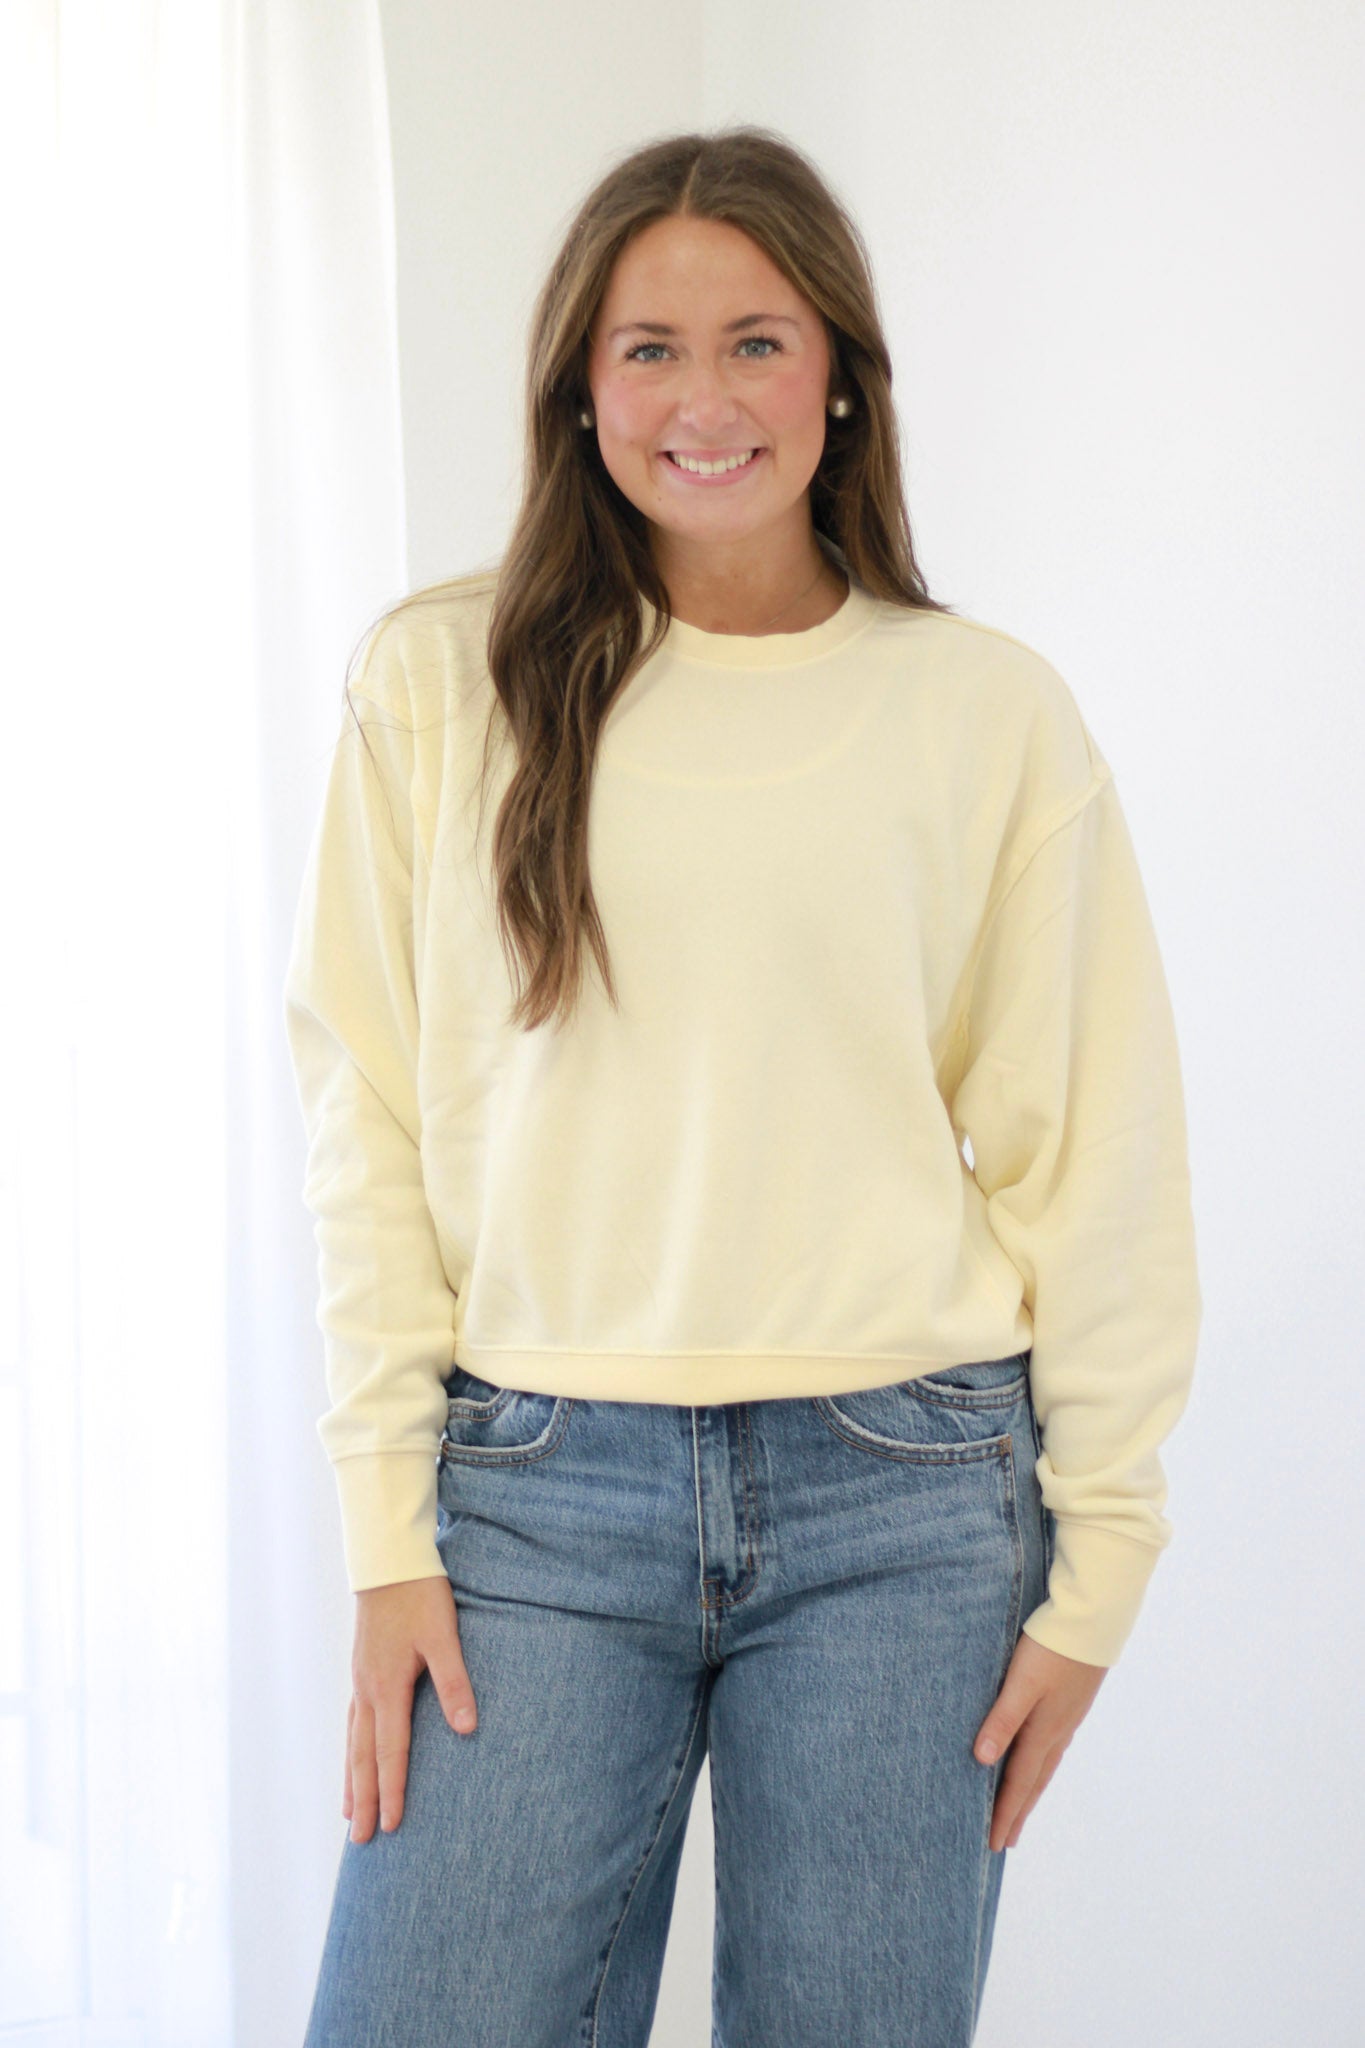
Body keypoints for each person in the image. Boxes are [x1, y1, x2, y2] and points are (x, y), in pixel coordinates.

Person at [283, 124, 1201, 2048]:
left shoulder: (982, 711)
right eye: (649, 349)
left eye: (757, 342)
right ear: (578, 387)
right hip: (529, 1497)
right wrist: (383, 1531)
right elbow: (362, 1115)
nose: (704, 401)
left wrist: (1102, 1559)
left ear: (840, 374)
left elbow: (1094, 1148)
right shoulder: (440, 683)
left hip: (908, 1503)